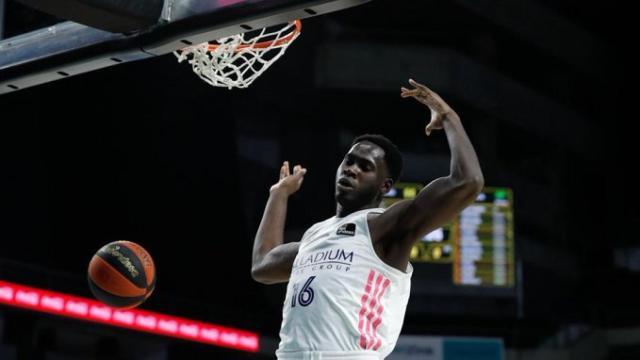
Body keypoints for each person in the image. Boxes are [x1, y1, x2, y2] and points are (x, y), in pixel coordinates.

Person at [251, 79, 484, 359]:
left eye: (365, 167)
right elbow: (262, 267)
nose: (351, 169)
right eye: (348, 161)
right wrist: (278, 195)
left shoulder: (384, 225)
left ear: (384, 186)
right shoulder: (315, 236)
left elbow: (468, 181)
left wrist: (448, 116)